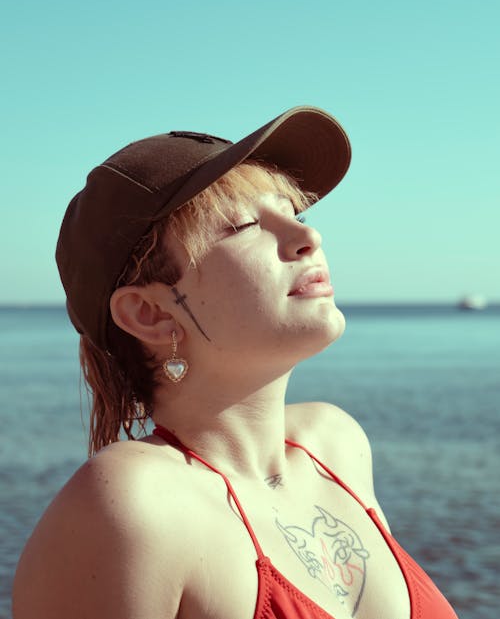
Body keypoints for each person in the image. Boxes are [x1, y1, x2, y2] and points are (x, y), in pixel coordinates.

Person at [12, 106, 458, 619]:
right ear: (150, 313)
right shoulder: (135, 506)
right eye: (245, 225)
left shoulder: (335, 446)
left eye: (296, 213)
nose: (308, 238)